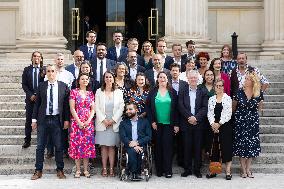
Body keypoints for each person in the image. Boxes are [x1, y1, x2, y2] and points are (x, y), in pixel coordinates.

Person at [31, 64, 70, 180]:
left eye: (53, 71)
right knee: (40, 146)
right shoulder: (41, 86)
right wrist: (34, 120)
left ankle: (60, 170)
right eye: (48, 71)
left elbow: (66, 105)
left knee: (59, 146)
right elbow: (37, 104)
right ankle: (38, 170)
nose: (51, 73)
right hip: (43, 119)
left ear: (56, 73)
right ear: (46, 73)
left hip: (57, 120)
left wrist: (66, 119)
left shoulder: (63, 86)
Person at [146, 71, 179, 178]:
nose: (162, 79)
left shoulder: (173, 92)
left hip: (169, 124)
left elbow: (177, 109)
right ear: (157, 79)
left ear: (167, 79)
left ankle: (168, 170)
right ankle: (159, 171)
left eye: (164, 77)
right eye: (160, 77)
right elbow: (148, 108)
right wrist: (152, 122)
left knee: (168, 147)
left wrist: (176, 124)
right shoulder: (153, 92)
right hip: (157, 124)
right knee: (158, 148)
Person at [232, 70, 262, 178]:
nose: (246, 80)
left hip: (253, 122)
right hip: (240, 122)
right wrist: (240, 117)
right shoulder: (238, 92)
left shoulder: (258, 93)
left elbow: (260, 108)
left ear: (253, 81)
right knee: (242, 145)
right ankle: (243, 169)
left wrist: (252, 115)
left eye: (248, 79)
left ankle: (248, 168)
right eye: (246, 78)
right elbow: (233, 107)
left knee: (252, 145)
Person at [178, 70, 208, 178]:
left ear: (198, 79)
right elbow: (180, 105)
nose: (193, 80)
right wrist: (189, 117)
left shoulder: (202, 90)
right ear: (188, 79)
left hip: (199, 124)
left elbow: (205, 107)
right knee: (187, 147)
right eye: (191, 78)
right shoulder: (183, 90)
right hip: (186, 123)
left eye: (195, 78)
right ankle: (187, 169)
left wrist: (196, 118)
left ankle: (197, 170)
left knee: (198, 147)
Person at [95, 71, 125, 177]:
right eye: (106, 77)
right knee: (103, 147)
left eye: (110, 77)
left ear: (114, 79)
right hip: (102, 123)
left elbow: (122, 107)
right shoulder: (99, 91)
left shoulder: (118, 92)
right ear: (104, 79)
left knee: (112, 147)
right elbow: (96, 107)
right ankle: (104, 168)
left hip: (114, 123)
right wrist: (103, 120)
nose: (108, 79)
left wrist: (113, 120)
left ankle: (112, 169)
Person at [69, 73, 95, 178]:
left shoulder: (90, 93)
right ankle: (78, 170)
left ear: (88, 81)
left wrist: (88, 121)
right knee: (77, 146)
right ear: (78, 81)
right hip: (76, 123)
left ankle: (85, 169)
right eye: (82, 79)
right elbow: (72, 108)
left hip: (88, 123)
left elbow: (93, 109)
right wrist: (79, 122)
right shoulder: (73, 92)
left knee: (86, 147)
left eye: (86, 79)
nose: (84, 80)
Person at [206, 79, 233, 180]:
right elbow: (209, 113)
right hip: (213, 127)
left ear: (223, 87)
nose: (219, 87)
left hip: (224, 126)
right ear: (214, 87)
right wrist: (213, 124)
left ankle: (228, 172)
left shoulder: (228, 98)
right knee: (214, 150)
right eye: (217, 86)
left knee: (226, 149)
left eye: (221, 86)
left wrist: (219, 124)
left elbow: (228, 113)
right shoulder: (211, 99)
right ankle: (214, 171)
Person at [119, 102, 152, 180]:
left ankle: (130, 171)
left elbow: (149, 136)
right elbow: (123, 137)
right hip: (128, 145)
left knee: (139, 151)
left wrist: (137, 143)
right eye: (126, 110)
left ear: (136, 110)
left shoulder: (145, 122)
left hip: (141, 145)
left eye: (130, 109)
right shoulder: (123, 123)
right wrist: (132, 144)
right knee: (132, 151)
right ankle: (135, 173)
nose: (128, 111)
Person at [22, 51, 45, 148]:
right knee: (28, 120)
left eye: (38, 56)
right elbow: (24, 84)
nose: (36, 58)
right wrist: (30, 95)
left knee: (42, 120)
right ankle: (27, 140)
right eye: (35, 56)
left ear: (41, 58)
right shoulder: (27, 70)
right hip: (30, 99)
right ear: (32, 58)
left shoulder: (44, 70)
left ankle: (41, 140)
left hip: (41, 100)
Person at [169, 63, 187, 167]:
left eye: (177, 70)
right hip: (169, 114)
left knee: (182, 140)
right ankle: (169, 161)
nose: (175, 72)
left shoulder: (185, 84)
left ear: (179, 72)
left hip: (182, 115)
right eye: (173, 70)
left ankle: (181, 161)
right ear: (170, 72)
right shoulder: (167, 83)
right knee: (170, 140)